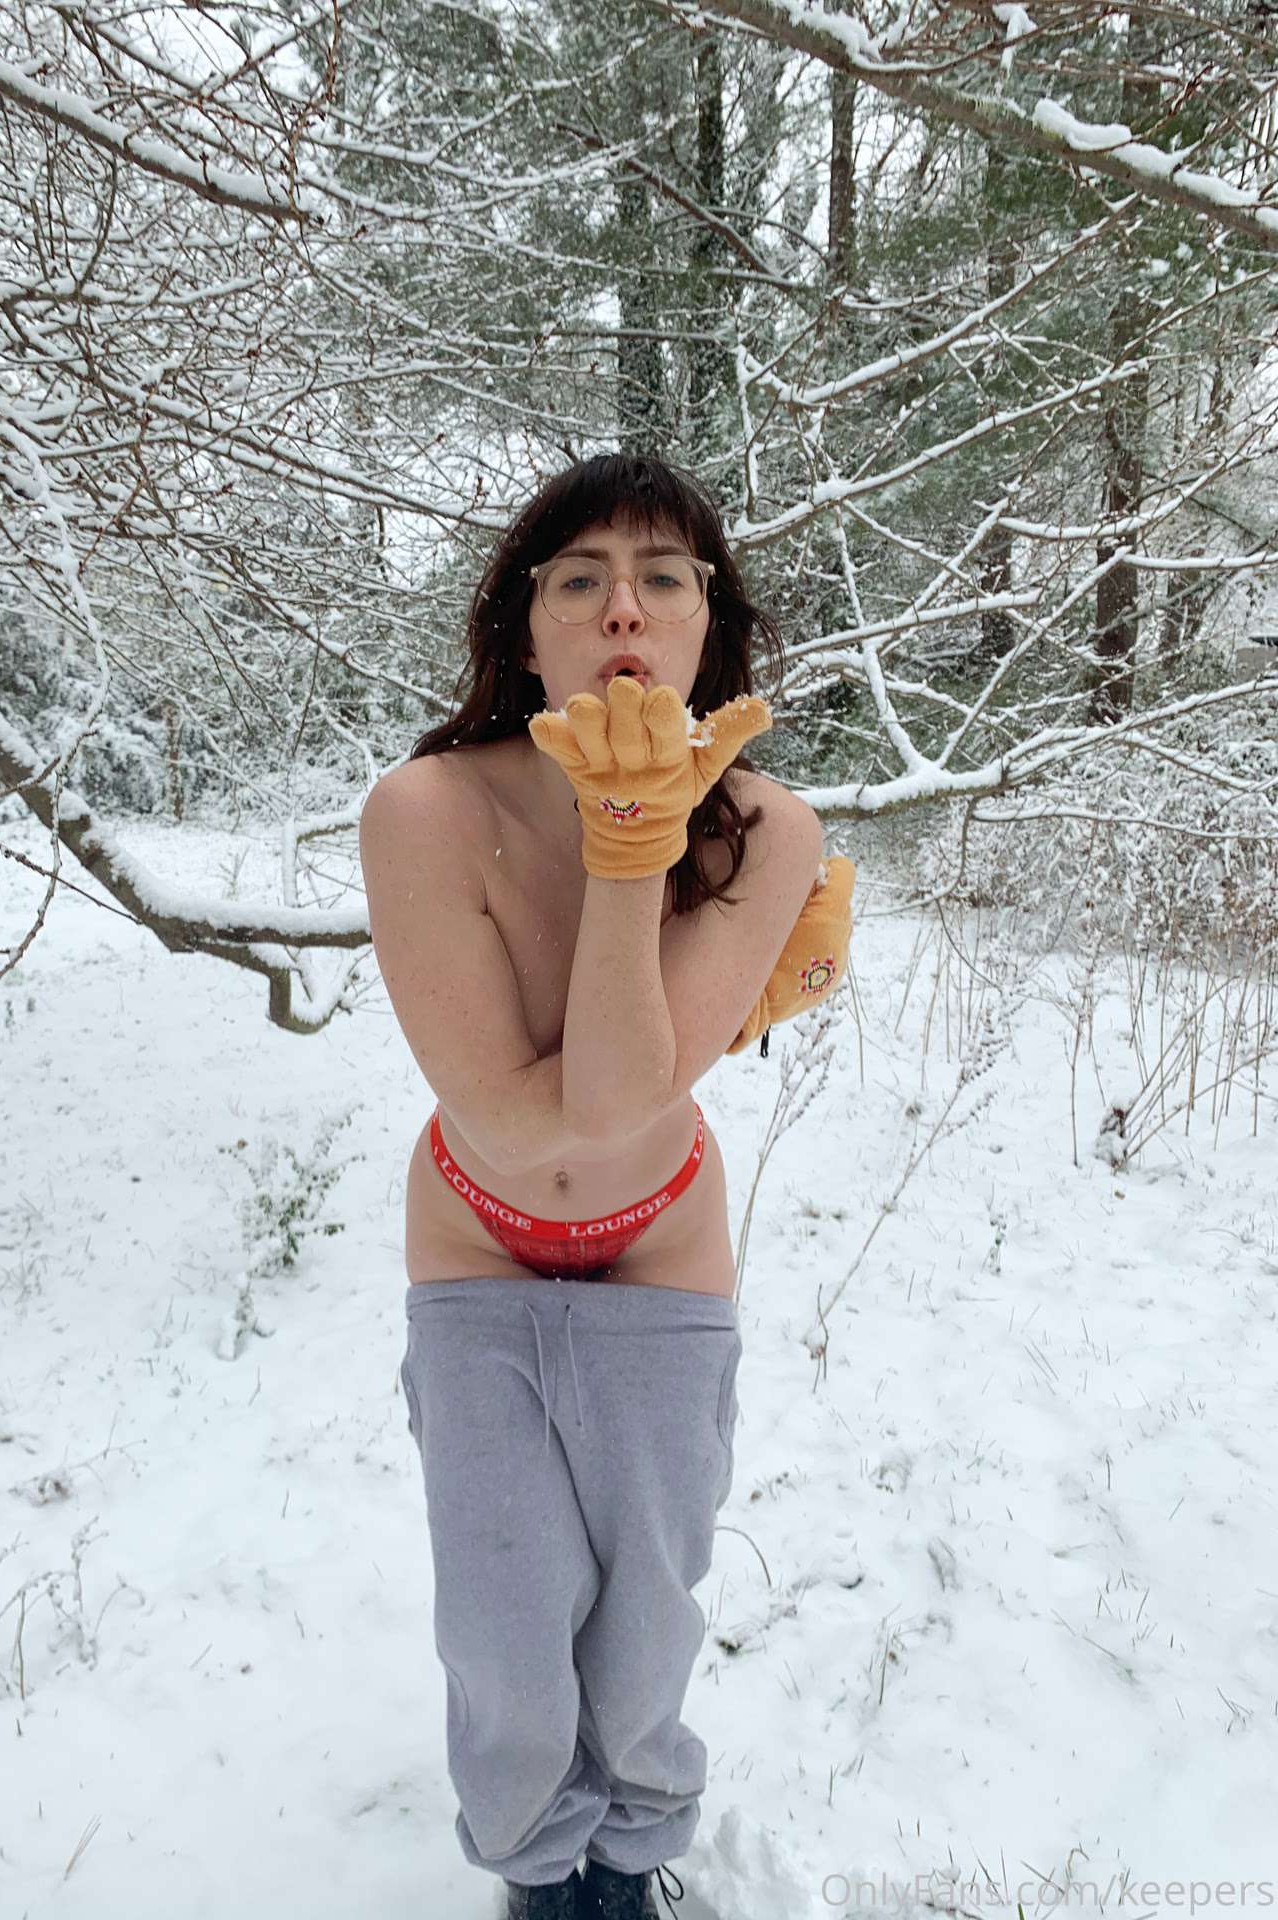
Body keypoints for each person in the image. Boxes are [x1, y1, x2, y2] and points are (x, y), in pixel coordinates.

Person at [359, 453, 826, 1920]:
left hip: (660, 1238)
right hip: (477, 1233)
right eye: (581, 579)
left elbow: (624, 1113)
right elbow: (513, 1131)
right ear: (524, 629)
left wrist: (641, 847)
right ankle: (537, 1868)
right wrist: (626, 846)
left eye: (664, 578)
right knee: (504, 1618)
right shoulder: (424, 809)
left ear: (706, 627)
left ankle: (628, 1862)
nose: (624, 606)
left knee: (647, 1610)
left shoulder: (769, 830)